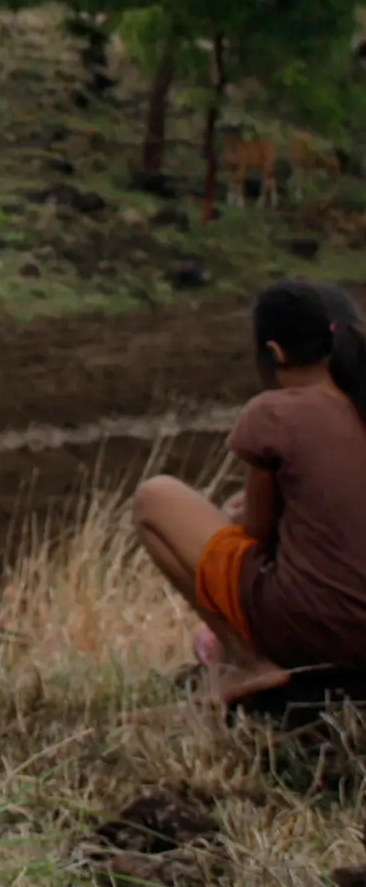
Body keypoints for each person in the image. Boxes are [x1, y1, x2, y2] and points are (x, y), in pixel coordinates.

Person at [134, 281, 366, 702]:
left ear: (276, 352)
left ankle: (247, 662)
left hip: (322, 631)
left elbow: (258, 532)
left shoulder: (276, 412)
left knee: (157, 497)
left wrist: (237, 514)